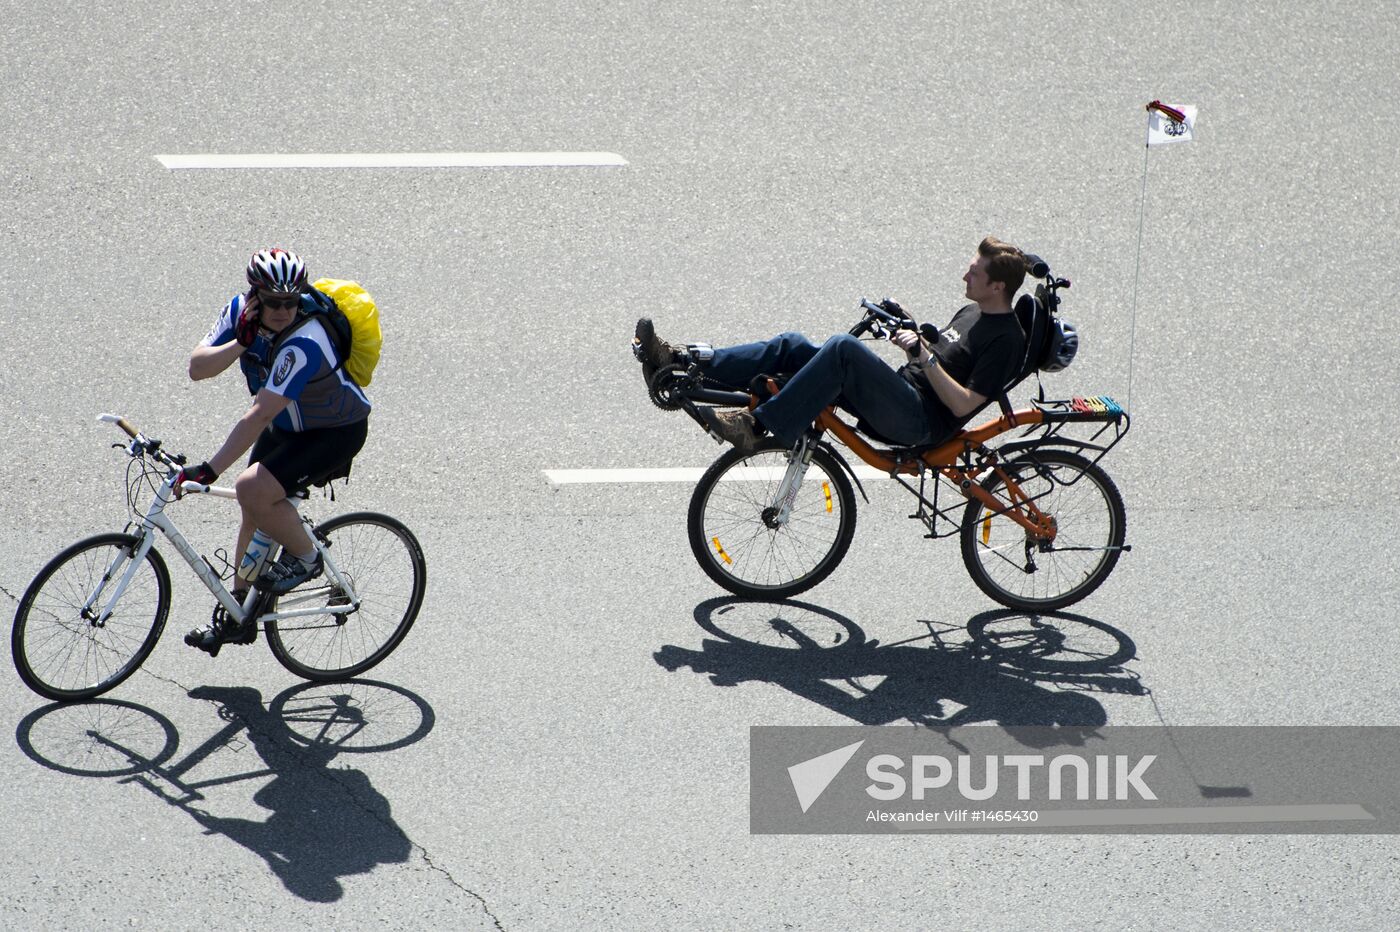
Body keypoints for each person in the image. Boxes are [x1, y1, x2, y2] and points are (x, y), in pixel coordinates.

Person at [634, 236, 1030, 453]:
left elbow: (964, 403)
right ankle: (679, 360)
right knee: (793, 345)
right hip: (899, 394)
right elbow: (945, 354)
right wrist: (910, 330)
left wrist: (923, 356)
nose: (965, 275)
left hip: (919, 422)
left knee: (842, 349)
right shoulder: (971, 311)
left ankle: (754, 426)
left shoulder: (1006, 339)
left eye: (974, 273)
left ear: (998, 287)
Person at [180, 248, 372, 655]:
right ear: (255, 297)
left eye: (291, 301)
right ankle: (238, 615)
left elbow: (257, 414)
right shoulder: (238, 313)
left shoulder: (304, 341)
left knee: (252, 489)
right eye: (273, 302)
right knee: (253, 505)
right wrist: (240, 342)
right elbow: (198, 367)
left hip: (334, 432)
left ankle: (306, 559)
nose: (283, 310)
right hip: (286, 425)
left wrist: (210, 470)